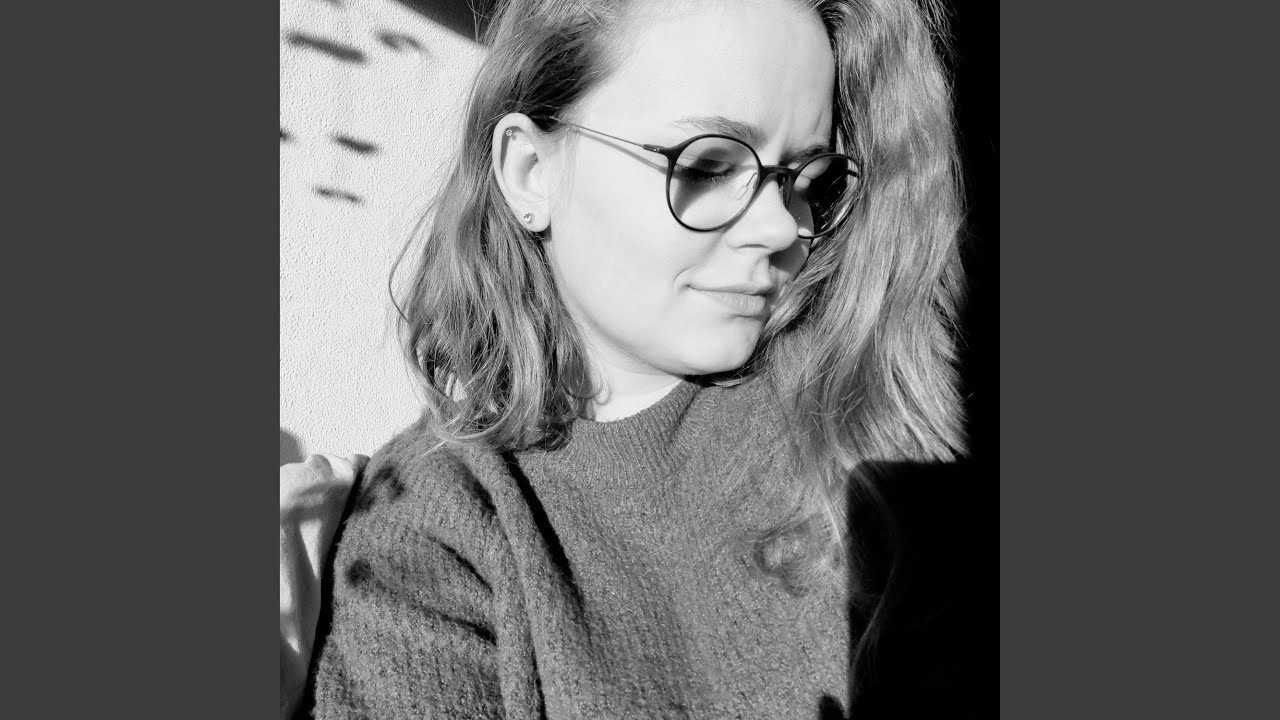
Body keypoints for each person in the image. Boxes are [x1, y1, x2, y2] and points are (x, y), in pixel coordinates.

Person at [281, 0, 985, 716]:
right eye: (708, 164)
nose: (783, 228)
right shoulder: (437, 530)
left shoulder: (861, 410)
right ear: (530, 170)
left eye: (809, 180)